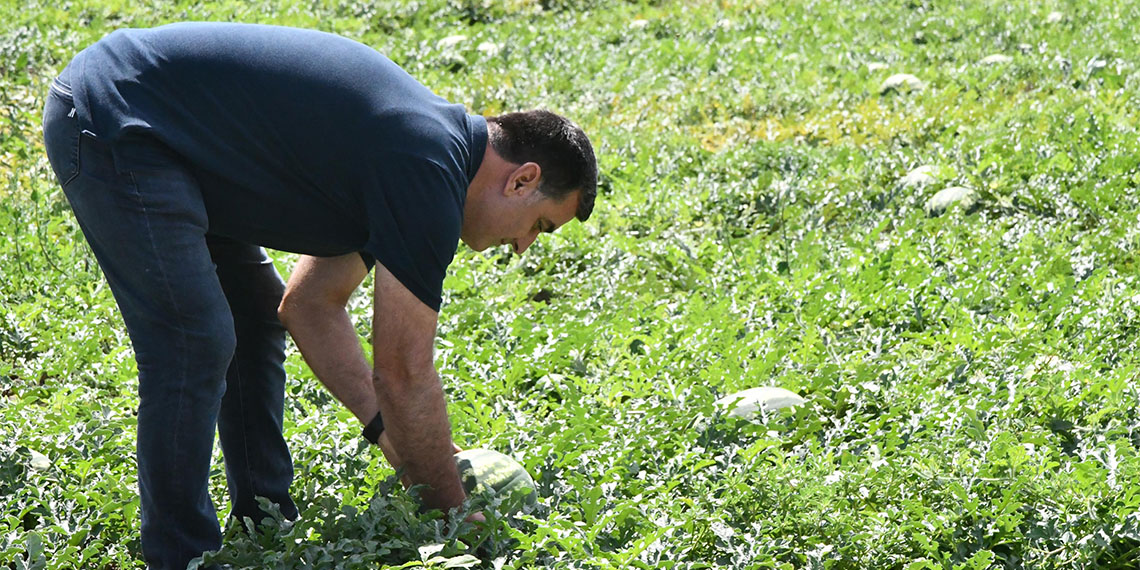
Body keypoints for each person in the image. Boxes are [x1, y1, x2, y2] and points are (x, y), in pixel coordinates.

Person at [41, 22, 596, 570]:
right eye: (540, 226)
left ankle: (264, 516)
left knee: (255, 320)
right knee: (197, 339)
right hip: (118, 118)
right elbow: (403, 373)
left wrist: (389, 438)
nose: (523, 247)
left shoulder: (426, 160)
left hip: (184, 147)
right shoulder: (427, 169)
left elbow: (308, 305)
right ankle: (181, 556)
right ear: (522, 180)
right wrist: (455, 515)